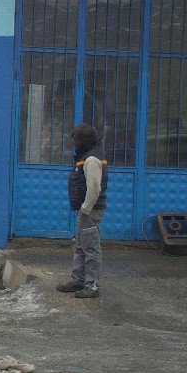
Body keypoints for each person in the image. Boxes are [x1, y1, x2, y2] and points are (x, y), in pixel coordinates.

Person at [57, 124, 108, 299]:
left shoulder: (91, 160)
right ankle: (78, 280)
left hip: (90, 211)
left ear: (83, 141)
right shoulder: (86, 157)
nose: (74, 143)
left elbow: (94, 188)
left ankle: (91, 285)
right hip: (85, 210)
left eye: (76, 140)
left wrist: (85, 209)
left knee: (91, 248)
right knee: (80, 246)